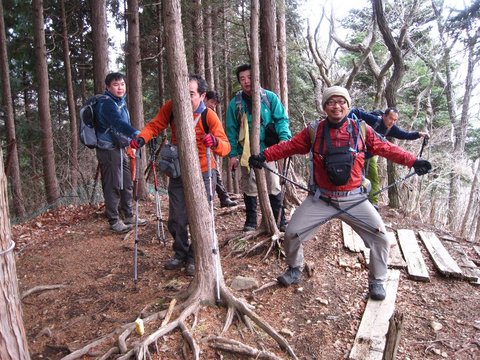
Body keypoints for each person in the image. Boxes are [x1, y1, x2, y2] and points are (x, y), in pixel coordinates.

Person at [249, 86, 432, 300]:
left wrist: (414, 161)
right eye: (331, 102)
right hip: (321, 198)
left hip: (354, 198)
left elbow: (387, 148)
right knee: (291, 233)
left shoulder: (362, 130)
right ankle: (294, 268)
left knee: (381, 238)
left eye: (341, 102)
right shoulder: (314, 131)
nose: (337, 106)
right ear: (325, 106)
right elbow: (289, 146)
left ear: (347, 105)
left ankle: (377, 281)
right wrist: (264, 156)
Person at [129, 75, 230, 276]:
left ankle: (195, 256)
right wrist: (140, 139)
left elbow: (226, 147)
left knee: (201, 217)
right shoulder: (171, 107)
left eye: (191, 94)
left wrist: (215, 143)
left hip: (203, 172)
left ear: (202, 95)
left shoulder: (208, 116)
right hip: (178, 171)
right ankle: (180, 253)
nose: (184, 98)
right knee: (176, 218)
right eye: (182, 93)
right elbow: (155, 125)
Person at [226, 64, 292, 232]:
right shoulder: (236, 104)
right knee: (249, 186)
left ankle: (279, 220)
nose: (247, 81)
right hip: (245, 152)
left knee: (273, 184)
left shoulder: (269, 98)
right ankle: (251, 222)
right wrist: (232, 154)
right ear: (239, 82)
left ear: (256, 78)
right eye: (242, 79)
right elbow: (231, 130)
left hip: (268, 150)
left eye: (249, 77)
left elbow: (281, 120)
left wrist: (284, 140)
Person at [94, 72, 148, 234]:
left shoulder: (120, 102)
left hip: (118, 148)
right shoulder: (106, 104)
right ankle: (114, 220)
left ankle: (129, 215)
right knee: (113, 184)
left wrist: (128, 143)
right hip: (108, 149)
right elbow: (117, 123)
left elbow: (122, 124)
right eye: (116, 85)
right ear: (108, 87)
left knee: (126, 181)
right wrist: (135, 134)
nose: (120, 87)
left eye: (122, 84)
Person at [349, 107, 429, 208]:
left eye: (395, 120)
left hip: (369, 156)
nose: (392, 122)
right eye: (391, 118)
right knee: (352, 175)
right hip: (356, 154)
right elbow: (355, 112)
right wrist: (346, 127)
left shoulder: (391, 128)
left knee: (373, 178)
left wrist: (418, 134)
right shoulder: (374, 120)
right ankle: (348, 198)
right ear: (384, 116)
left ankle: (373, 203)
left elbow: (404, 135)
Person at [205, 90, 237, 207]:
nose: (213, 106)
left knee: (214, 172)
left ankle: (224, 197)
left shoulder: (211, 114)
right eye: (212, 102)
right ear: (204, 99)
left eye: (215, 104)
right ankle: (223, 198)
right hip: (200, 151)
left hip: (208, 149)